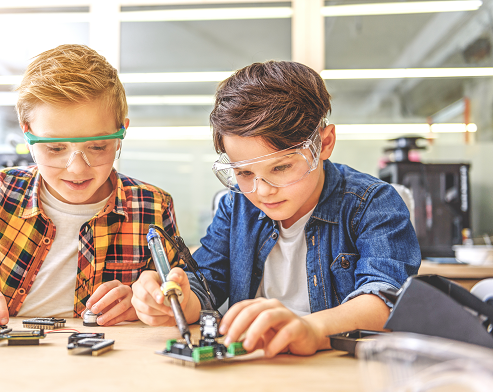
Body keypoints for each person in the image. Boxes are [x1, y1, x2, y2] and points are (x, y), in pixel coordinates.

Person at [131, 61, 421, 357]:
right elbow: (205, 286)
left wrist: (311, 329)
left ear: (325, 143)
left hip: (335, 373)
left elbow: (384, 302)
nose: (263, 190)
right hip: (253, 367)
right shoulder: (236, 205)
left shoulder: (372, 204)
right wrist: (174, 299)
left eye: (281, 167)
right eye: (244, 173)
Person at [0, 44, 182, 331]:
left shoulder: (153, 206)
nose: (77, 168)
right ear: (28, 133)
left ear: (122, 133)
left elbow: (183, 294)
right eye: (55, 148)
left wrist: (147, 303)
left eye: (98, 146)